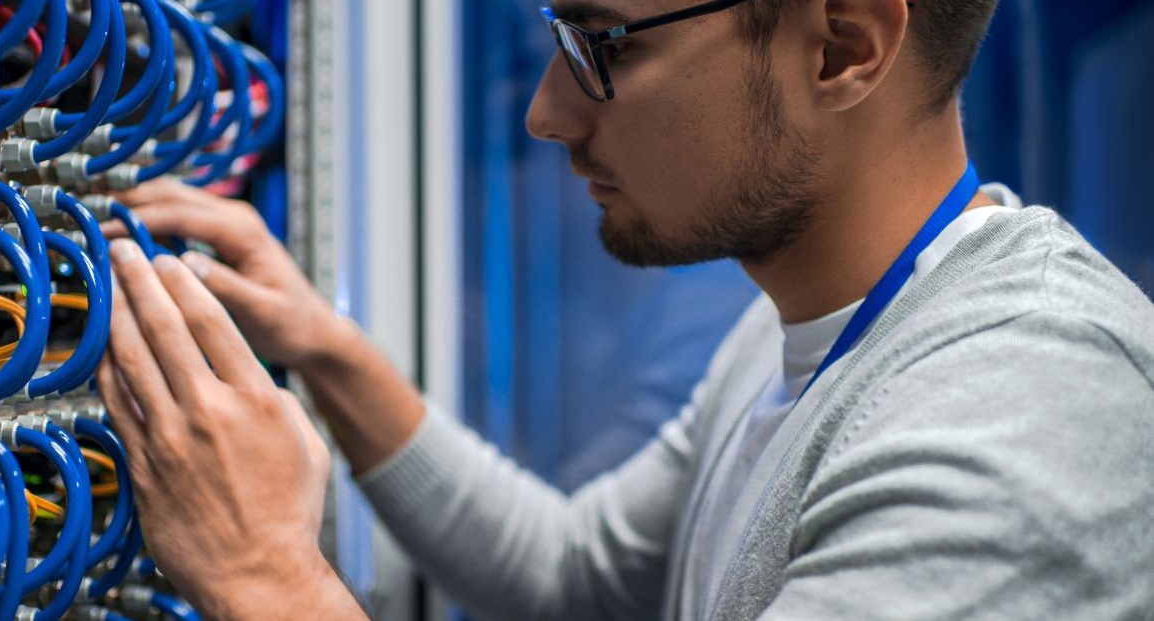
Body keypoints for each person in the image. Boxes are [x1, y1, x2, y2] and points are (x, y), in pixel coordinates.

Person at [94, 0, 1154, 618]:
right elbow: (573, 574)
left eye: (604, 44)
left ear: (841, 45)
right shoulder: (810, 326)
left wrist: (265, 575)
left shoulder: (1025, 420)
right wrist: (326, 350)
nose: (547, 114)